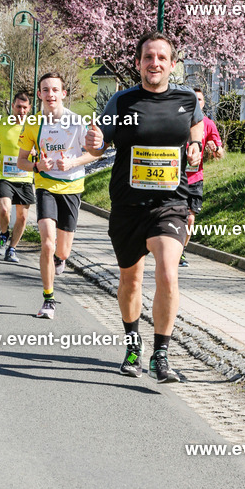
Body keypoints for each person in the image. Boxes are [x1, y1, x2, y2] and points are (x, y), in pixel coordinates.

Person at [85, 30, 204, 383]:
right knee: (131, 279)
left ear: (172, 65)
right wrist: (93, 143)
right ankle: (133, 344)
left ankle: (162, 354)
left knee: (168, 270)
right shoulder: (122, 103)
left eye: (162, 58)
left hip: (170, 202)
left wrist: (196, 147)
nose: (155, 63)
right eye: (148, 57)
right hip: (127, 205)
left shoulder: (187, 100)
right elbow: (98, 146)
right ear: (138, 63)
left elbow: (197, 128)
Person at [17, 73, 98, 319]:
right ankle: (48, 299)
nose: (50, 94)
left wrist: (73, 162)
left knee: (62, 251)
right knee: (47, 242)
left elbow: (94, 153)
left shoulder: (76, 121)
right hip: (45, 187)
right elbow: (21, 161)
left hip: (72, 188)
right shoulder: (32, 123)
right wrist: (37, 166)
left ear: (63, 93)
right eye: (45, 90)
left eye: (55, 90)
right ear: (39, 94)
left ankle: (60, 259)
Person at [0, 91, 35, 263]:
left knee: (22, 217)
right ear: (13, 106)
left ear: (29, 109)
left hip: (25, 176)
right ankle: (4, 234)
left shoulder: (34, 126)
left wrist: (37, 153)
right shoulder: (1, 124)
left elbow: (43, 147)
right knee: (5, 209)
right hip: (4, 175)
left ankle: (12, 249)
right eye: (18, 107)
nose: (21, 110)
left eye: (24, 107)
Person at [180, 86, 224, 267]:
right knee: (176, 216)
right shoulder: (179, 120)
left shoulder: (209, 124)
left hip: (196, 178)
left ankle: (181, 251)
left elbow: (220, 154)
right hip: (176, 177)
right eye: (193, 99)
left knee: (190, 218)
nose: (196, 102)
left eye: (199, 99)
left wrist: (216, 150)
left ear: (203, 103)